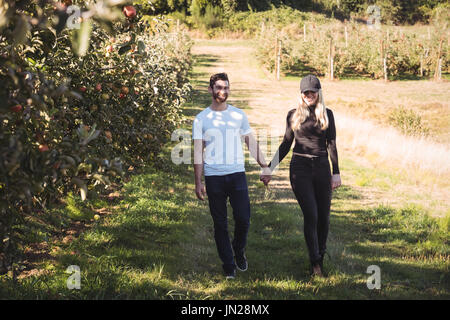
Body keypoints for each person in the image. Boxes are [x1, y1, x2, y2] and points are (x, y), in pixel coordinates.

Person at [193, 73, 271, 279]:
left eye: (226, 87)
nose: (223, 91)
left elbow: (250, 142)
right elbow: (197, 152)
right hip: (214, 176)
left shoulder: (238, 115)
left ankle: (238, 250)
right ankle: (228, 264)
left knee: (243, 219)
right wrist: (198, 181)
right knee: (220, 223)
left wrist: (264, 165)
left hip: (237, 174)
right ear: (210, 89)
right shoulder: (201, 119)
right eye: (219, 87)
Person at [262, 74, 341, 277]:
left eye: (312, 92)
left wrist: (336, 173)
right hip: (300, 168)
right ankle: (315, 263)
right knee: (312, 214)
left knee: (324, 217)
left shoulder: (327, 114)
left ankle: (320, 257)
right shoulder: (293, 115)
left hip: (322, 167)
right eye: (305, 92)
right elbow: (286, 144)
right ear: (301, 94)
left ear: (318, 93)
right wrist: (269, 168)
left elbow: (331, 144)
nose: (309, 95)